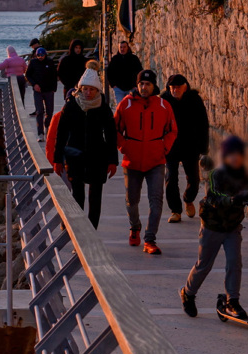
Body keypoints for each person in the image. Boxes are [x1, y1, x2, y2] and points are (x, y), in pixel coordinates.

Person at [180, 136, 248, 321]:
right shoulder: (216, 175)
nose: (235, 158)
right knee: (204, 265)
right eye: (231, 155)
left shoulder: (244, 177)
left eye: (238, 155)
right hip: (213, 226)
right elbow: (214, 196)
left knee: (234, 262)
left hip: (232, 227)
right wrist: (232, 200)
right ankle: (188, 293)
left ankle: (232, 300)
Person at [114, 69, 176, 254]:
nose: (143, 87)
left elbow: (172, 130)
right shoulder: (126, 104)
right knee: (131, 201)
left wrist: (164, 147)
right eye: (141, 84)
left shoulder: (164, 105)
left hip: (156, 160)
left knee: (156, 201)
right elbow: (115, 129)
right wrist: (124, 146)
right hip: (132, 161)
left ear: (153, 86)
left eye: (147, 84)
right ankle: (135, 227)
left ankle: (150, 239)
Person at [51, 69, 117, 228]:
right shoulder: (71, 106)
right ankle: (79, 230)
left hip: (98, 157)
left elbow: (111, 135)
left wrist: (113, 161)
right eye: (85, 89)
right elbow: (61, 134)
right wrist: (57, 159)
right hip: (75, 156)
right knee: (77, 195)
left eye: (92, 89)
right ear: (80, 89)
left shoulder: (103, 108)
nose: (88, 92)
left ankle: (92, 230)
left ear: (97, 90)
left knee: (95, 197)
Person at [162, 74, 210, 223]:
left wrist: (203, 147)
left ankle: (188, 199)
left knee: (194, 179)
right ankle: (175, 210)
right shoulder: (164, 101)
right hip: (171, 146)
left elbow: (203, 124)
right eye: (172, 87)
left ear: (185, 87)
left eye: (178, 87)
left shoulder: (194, 99)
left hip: (190, 145)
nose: (175, 90)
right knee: (171, 178)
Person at [25, 46, 59, 135]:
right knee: (39, 111)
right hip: (38, 91)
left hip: (49, 90)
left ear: (45, 55)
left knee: (49, 111)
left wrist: (54, 89)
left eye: (42, 55)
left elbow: (54, 76)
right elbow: (28, 75)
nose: (40, 57)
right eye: (38, 55)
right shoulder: (33, 62)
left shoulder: (50, 62)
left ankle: (47, 126)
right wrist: (34, 84)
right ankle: (40, 133)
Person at [105, 39, 143, 107]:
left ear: (127, 47)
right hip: (118, 89)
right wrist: (113, 85)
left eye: (124, 47)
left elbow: (140, 72)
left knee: (131, 107)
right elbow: (109, 73)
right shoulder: (115, 59)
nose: (122, 49)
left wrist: (136, 85)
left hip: (132, 88)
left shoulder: (134, 59)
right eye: (121, 47)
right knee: (120, 107)